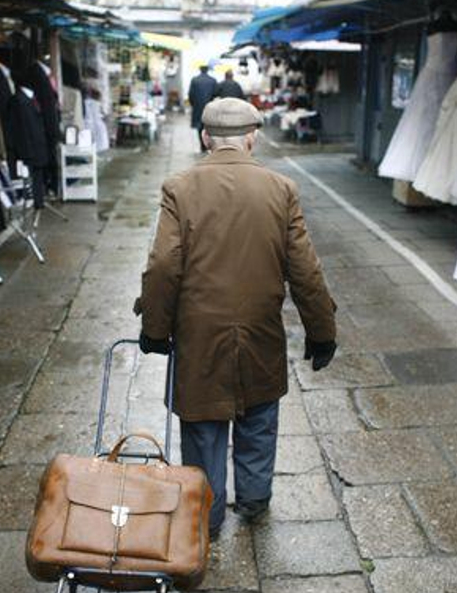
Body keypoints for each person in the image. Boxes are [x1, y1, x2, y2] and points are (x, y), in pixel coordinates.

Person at [134, 98, 337, 538]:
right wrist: (322, 332)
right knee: (259, 416)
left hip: (199, 334)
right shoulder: (281, 189)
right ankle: (255, 499)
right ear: (252, 136)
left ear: (206, 137)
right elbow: (305, 269)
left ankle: (206, 514)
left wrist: (154, 327)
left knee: (203, 425)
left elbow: (164, 266)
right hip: (260, 329)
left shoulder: (179, 188)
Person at [188, 65, 218, 152]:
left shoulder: (194, 80)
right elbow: (216, 93)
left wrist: (193, 104)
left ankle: (202, 145)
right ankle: (208, 144)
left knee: (199, 126)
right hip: (210, 106)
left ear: (200, 70)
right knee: (209, 126)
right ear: (207, 70)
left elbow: (190, 95)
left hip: (198, 106)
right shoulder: (213, 80)